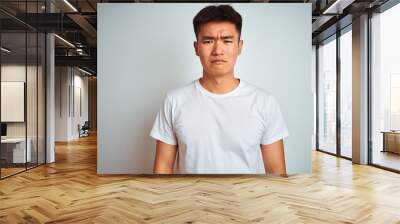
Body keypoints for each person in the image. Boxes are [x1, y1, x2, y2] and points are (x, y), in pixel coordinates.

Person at [150, 4, 288, 175]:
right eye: (208, 41)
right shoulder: (174, 100)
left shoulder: (264, 102)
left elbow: (276, 173)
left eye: (227, 41)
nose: (218, 50)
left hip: (245, 201)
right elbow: (162, 169)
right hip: (189, 201)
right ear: (196, 48)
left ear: (240, 46)